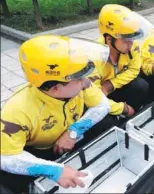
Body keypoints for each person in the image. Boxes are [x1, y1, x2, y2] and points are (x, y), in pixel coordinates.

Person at [0, 35, 115, 193]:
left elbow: (103, 105)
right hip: (39, 151)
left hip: (70, 139)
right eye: (79, 78)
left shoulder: (80, 86)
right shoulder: (16, 110)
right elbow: (6, 157)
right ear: (55, 88)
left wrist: (73, 132)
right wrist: (54, 170)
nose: (87, 81)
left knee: (107, 122)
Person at [89, 4, 152, 117]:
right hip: (99, 96)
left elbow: (134, 69)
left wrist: (111, 84)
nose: (131, 44)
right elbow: (94, 97)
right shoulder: (93, 57)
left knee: (141, 85)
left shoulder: (132, 47)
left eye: (132, 38)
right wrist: (124, 109)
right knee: (106, 121)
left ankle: (130, 116)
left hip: (113, 88)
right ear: (109, 39)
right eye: (126, 40)